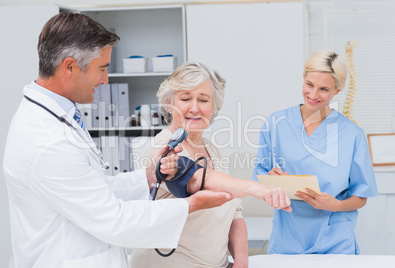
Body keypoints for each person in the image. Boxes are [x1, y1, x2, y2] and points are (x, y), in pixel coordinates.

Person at [3, 12, 232, 268]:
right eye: (101, 68)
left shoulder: (57, 119)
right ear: (69, 67)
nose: (105, 79)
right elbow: (114, 220)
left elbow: (96, 189)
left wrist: (149, 176)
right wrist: (191, 205)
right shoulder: (46, 140)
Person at [130, 62, 292, 268]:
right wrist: (256, 188)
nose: (195, 108)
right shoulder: (162, 147)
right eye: (185, 98)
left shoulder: (212, 150)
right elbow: (197, 178)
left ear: (214, 106)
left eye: (203, 100)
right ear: (169, 103)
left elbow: (235, 213)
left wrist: (241, 262)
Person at [252, 50, 378, 255]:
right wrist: (271, 183)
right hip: (288, 238)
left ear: (337, 90)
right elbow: (259, 180)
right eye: (309, 85)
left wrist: (335, 205)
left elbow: (361, 196)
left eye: (324, 89)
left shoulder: (352, 134)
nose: (313, 95)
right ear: (303, 78)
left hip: (334, 242)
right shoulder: (275, 124)